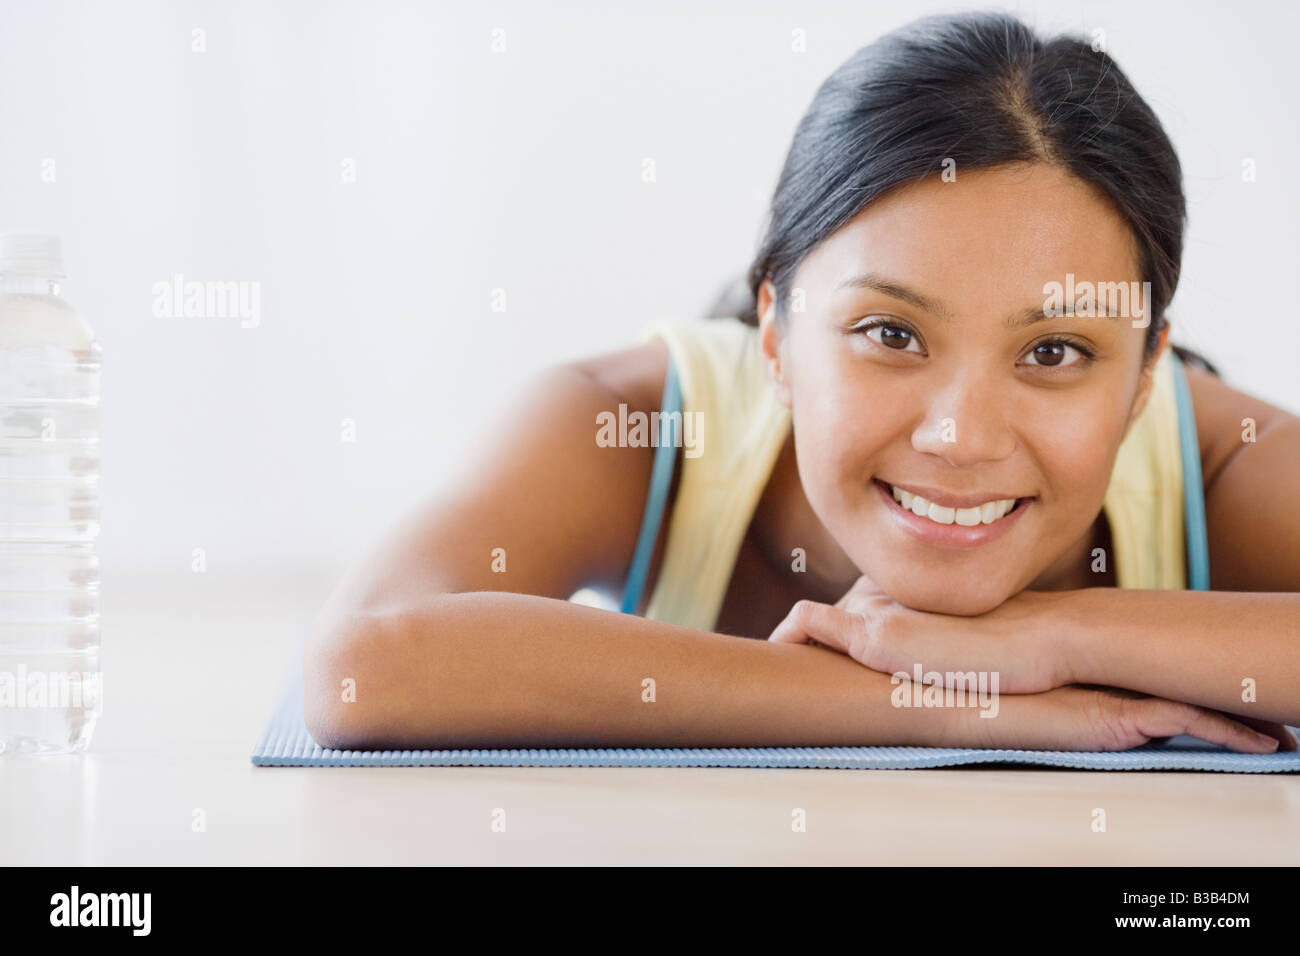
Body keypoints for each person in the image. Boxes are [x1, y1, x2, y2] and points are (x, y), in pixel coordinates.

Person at [304, 11, 1300, 755]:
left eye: (1052, 352)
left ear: (1141, 379)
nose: (960, 434)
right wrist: (929, 698)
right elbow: (365, 663)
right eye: (887, 331)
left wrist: (1055, 632)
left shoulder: (1219, 461)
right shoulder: (631, 419)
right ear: (774, 335)